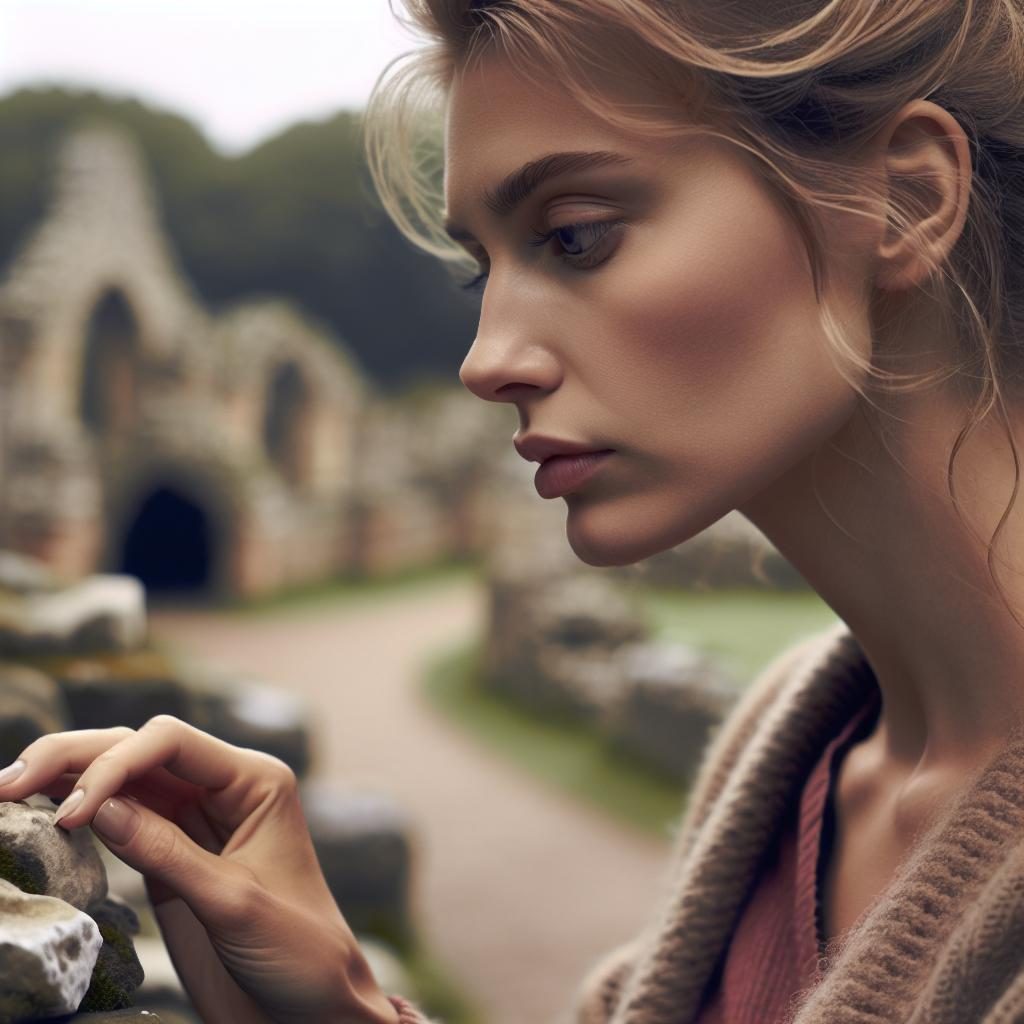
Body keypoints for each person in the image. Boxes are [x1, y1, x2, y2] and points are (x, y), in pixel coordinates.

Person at [2, 0, 1024, 1020]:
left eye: (575, 237)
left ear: (901, 200)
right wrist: (345, 1006)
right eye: (481, 273)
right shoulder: (792, 743)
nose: (486, 361)